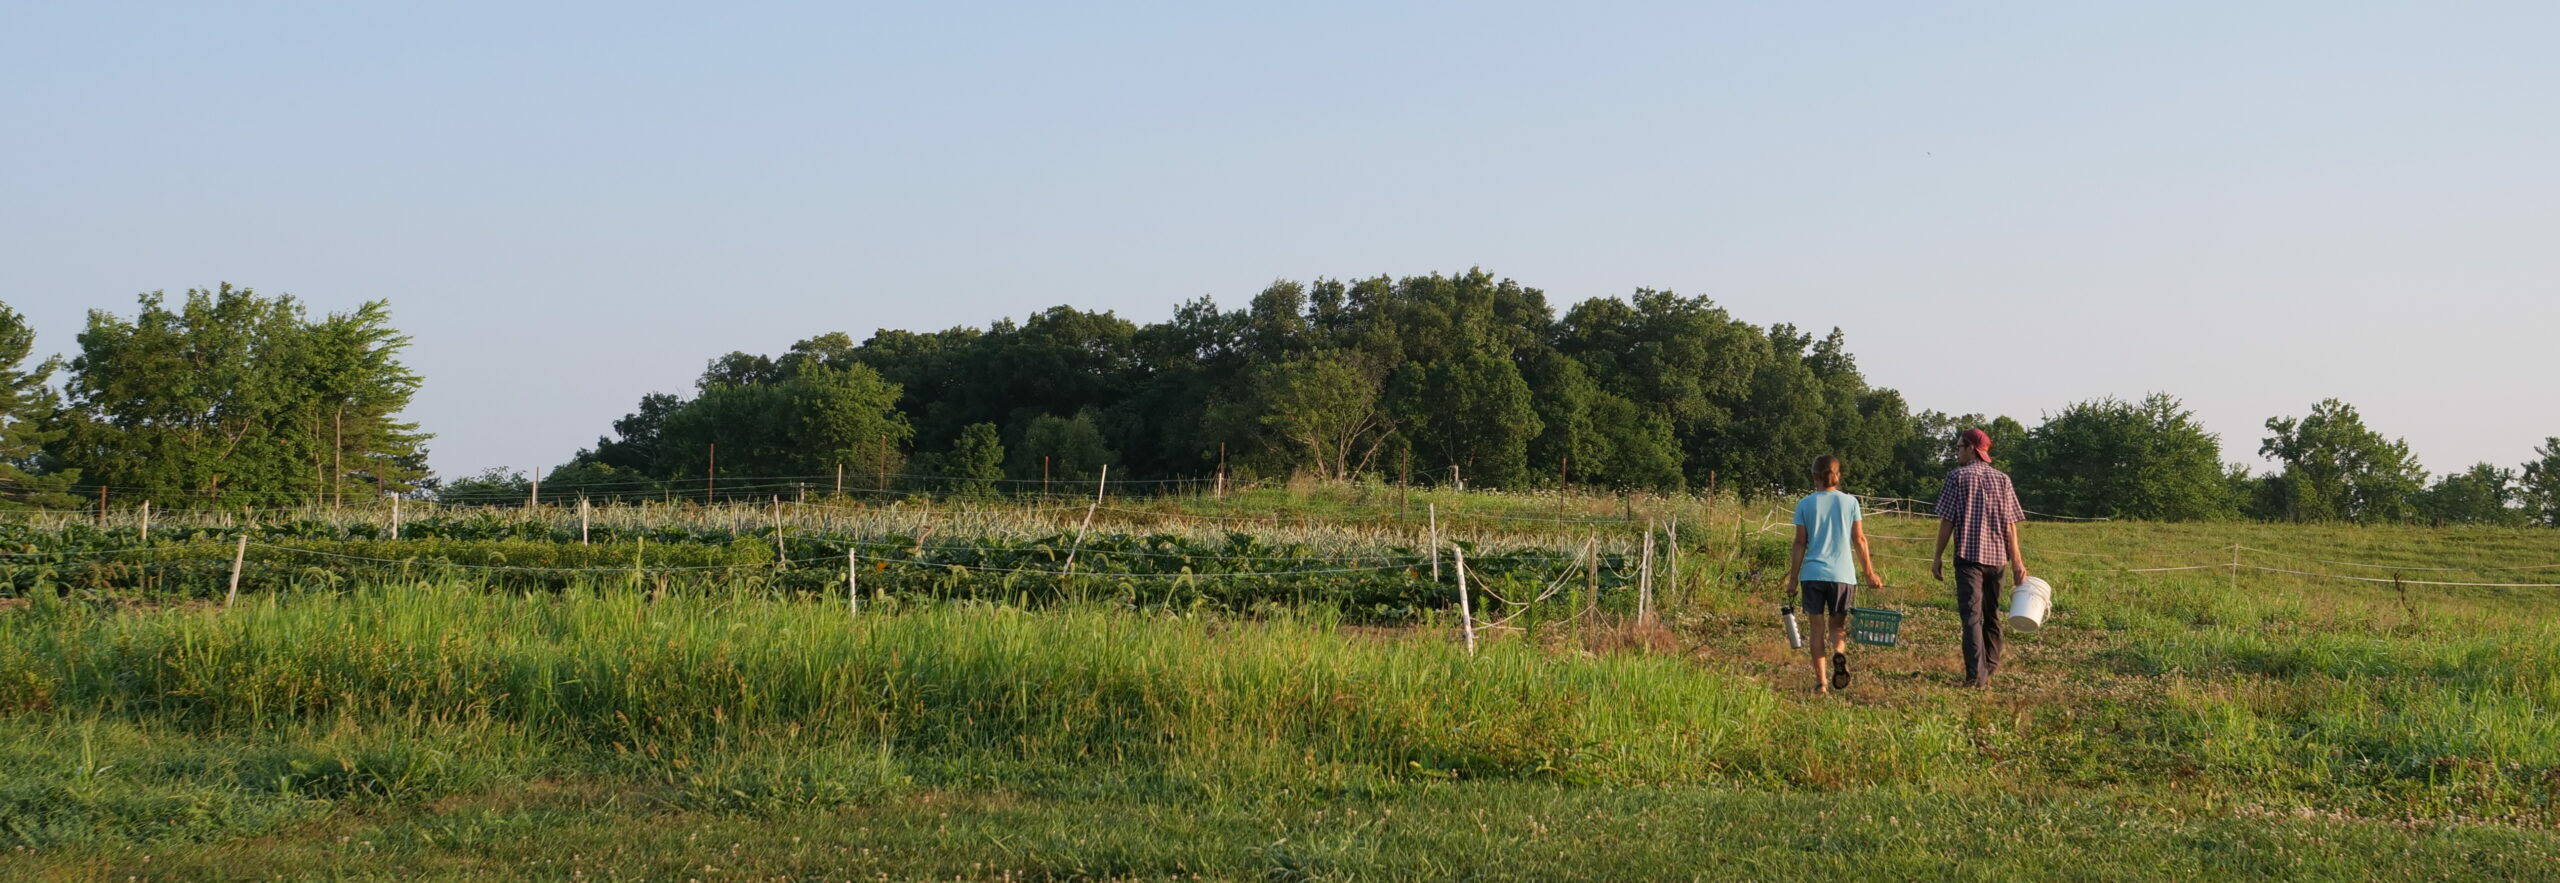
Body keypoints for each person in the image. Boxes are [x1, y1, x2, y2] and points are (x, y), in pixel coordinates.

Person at [1932, 428, 2029, 688]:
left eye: (1959, 447)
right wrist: (2017, 562)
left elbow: (1947, 521)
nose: (1956, 452)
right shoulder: (2003, 479)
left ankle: (1976, 677)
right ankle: (1990, 665)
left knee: (1971, 617)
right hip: (1998, 560)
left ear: (1971, 449)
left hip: (1968, 558)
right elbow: (2010, 525)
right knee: (1992, 614)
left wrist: (1937, 556)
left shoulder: (1956, 477)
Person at [1783, 455, 1884, 695]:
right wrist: (1869, 573)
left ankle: (1821, 684)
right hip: (1842, 575)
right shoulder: (1850, 503)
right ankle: (1839, 653)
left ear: (1814, 476)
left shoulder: (1805, 504)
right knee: (1837, 628)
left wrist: (1793, 579)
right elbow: (1859, 539)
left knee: (1816, 629)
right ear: (1838, 476)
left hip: (1813, 574)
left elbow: (1800, 543)